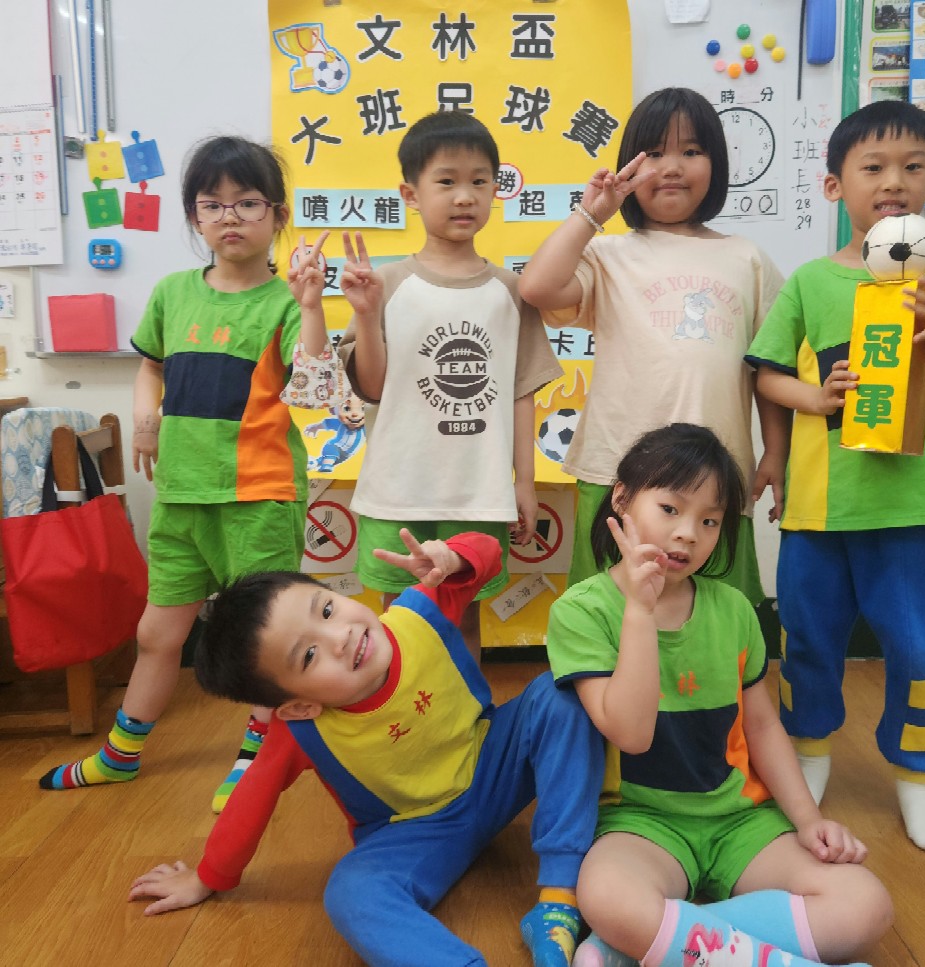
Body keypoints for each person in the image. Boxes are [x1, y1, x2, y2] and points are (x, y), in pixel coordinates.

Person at [128, 529, 603, 967]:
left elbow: (489, 552)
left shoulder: (419, 613)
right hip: (417, 831)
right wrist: (207, 876)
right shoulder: (301, 731)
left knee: (558, 693)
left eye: (326, 610)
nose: (341, 637)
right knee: (351, 893)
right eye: (309, 655)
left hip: (494, 764)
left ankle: (558, 901)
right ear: (298, 706)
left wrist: (453, 558)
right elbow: (253, 796)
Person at [745, 100, 925, 852]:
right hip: (821, 510)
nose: (893, 182)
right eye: (873, 167)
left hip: (917, 509)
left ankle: (917, 780)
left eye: (912, 167)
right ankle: (809, 759)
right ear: (836, 186)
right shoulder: (810, 281)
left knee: (921, 650)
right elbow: (767, 375)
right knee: (807, 642)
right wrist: (815, 396)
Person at [39, 135, 335, 814]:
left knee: (266, 637)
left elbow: (313, 387)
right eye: (213, 204)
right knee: (157, 633)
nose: (230, 216)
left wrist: (312, 305)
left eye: (247, 203)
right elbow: (151, 365)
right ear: (194, 216)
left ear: (277, 214)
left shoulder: (285, 303)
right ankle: (121, 754)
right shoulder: (173, 292)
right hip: (179, 495)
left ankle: (256, 758)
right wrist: (145, 419)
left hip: (257, 497)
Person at [546, 424, 892, 967]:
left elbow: (762, 726)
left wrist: (808, 821)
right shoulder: (580, 612)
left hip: (740, 819)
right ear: (621, 498)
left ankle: (640, 943)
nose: (688, 534)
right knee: (607, 895)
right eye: (670, 509)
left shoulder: (732, 609)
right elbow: (631, 734)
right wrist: (639, 611)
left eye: (709, 521)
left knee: (865, 906)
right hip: (640, 823)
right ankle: (688, 941)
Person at [518, 87, 788, 600]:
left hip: (715, 482)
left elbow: (770, 367)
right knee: (607, 612)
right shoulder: (607, 254)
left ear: (717, 164)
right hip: (617, 472)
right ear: (629, 166)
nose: (672, 168)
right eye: (656, 153)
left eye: (692, 151)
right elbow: (536, 288)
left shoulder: (747, 259)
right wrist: (592, 214)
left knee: (715, 618)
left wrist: (776, 450)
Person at [334, 110, 562, 664]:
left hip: (478, 493)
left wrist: (524, 483)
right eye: (447, 181)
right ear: (410, 195)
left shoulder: (512, 291)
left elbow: (521, 392)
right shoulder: (385, 283)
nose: (465, 196)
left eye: (480, 181)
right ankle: (399, 717)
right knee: (400, 621)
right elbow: (372, 388)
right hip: (397, 487)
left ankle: (469, 715)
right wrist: (365, 314)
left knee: (464, 620)